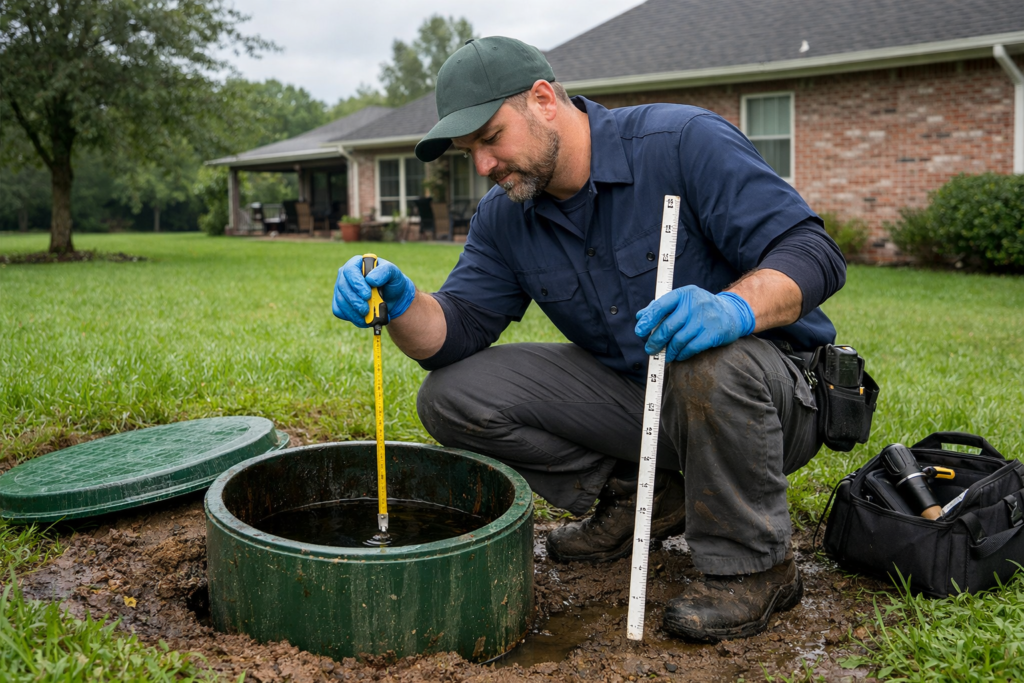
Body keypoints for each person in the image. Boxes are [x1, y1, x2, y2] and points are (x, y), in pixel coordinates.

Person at [332, 36, 846, 642]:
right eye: (469, 152)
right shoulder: (506, 215)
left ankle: (757, 567)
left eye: (491, 138)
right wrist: (401, 304)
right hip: (641, 402)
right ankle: (643, 499)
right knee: (451, 395)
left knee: (708, 362)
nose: (483, 167)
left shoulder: (682, 142)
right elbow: (456, 331)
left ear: (543, 99)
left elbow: (815, 253)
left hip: (771, 400)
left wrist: (734, 306)